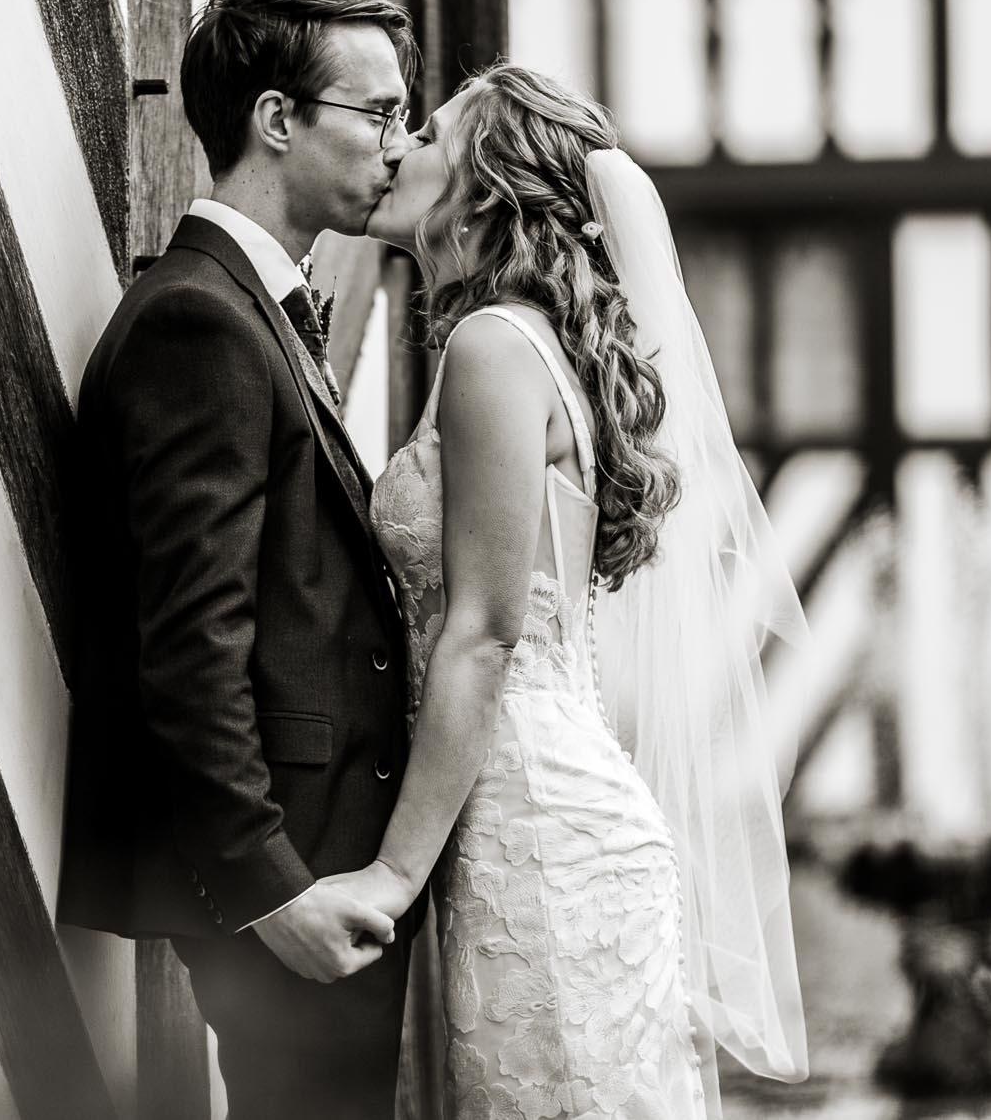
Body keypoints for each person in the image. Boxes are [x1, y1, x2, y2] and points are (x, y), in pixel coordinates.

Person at [333, 63, 810, 1118]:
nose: (397, 145)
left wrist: (388, 878)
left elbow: (484, 636)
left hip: (534, 834)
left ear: (482, 189)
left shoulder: (492, 348)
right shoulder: (524, 347)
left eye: (427, 136)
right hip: (529, 817)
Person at [57, 0, 423, 1119]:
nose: (399, 148)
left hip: (316, 854)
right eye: (376, 114)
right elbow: (190, 636)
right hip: (283, 871)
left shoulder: (246, 306)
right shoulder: (196, 320)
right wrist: (272, 892)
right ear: (276, 119)